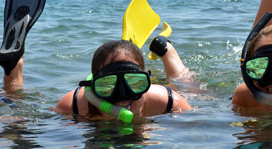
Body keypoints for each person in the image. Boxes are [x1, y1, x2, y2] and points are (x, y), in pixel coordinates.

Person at [54, 38, 192, 121]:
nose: (122, 96)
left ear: (147, 83)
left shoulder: (168, 102)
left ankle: (165, 49)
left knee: (189, 89)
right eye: (108, 84)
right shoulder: (73, 106)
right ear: (93, 87)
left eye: (134, 82)